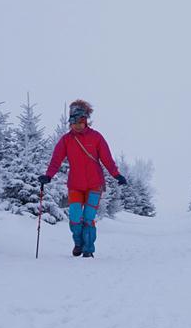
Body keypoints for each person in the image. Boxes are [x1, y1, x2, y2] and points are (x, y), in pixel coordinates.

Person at [38, 99, 127, 258]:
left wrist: (117, 175)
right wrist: (48, 176)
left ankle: (88, 249)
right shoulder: (66, 140)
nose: (77, 125)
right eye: (74, 122)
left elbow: (107, 159)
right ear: (70, 122)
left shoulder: (96, 137)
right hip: (75, 185)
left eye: (80, 121)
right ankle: (78, 242)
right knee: (74, 217)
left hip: (95, 185)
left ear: (85, 121)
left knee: (88, 218)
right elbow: (56, 160)